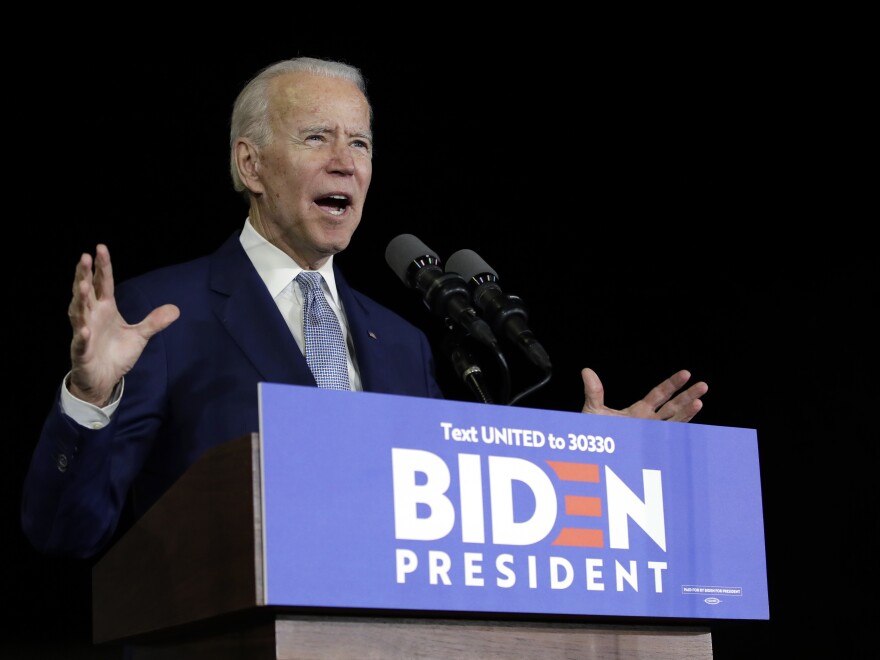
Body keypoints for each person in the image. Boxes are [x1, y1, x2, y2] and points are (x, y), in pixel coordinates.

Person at [21, 57, 708, 560]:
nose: (346, 162)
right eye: (318, 137)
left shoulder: (403, 341)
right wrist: (89, 396)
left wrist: (588, 464)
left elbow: (462, 512)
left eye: (361, 143)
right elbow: (65, 534)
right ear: (251, 166)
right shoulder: (163, 315)